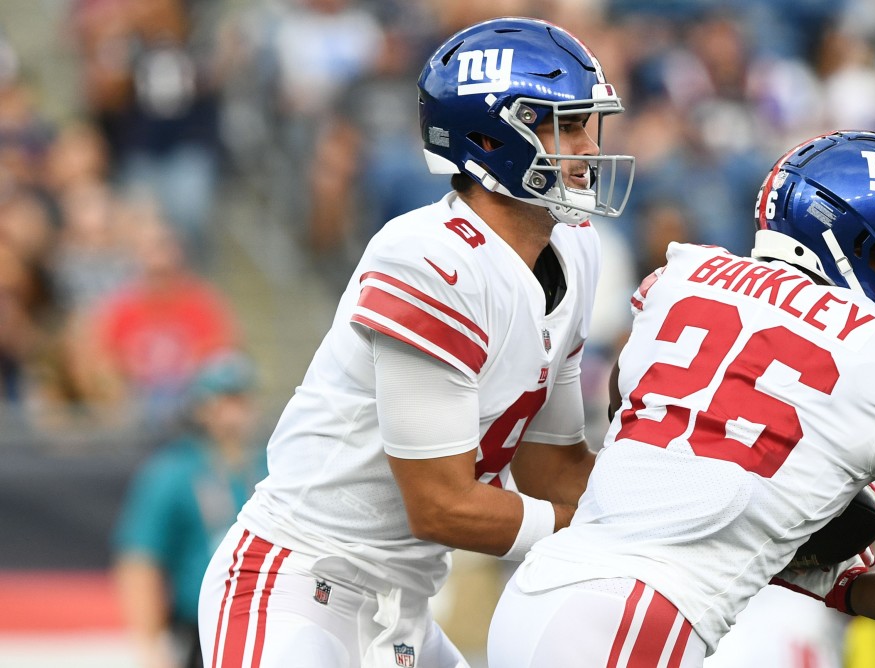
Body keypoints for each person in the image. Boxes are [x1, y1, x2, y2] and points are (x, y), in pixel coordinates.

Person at [197, 17, 635, 668]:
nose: (587, 148)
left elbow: (554, 469)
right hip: (297, 583)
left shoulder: (574, 249)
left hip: (403, 605)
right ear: (490, 137)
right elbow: (440, 506)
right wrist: (601, 532)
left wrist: (680, 505)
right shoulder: (427, 261)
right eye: (565, 125)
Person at [487, 130, 875, 667]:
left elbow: (630, 418)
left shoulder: (682, 276)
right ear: (864, 248)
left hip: (537, 592)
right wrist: (833, 585)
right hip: (635, 619)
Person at [113, 352, 266, 668]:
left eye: (242, 398)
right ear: (201, 407)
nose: (235, 410)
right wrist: (150, 646)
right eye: (225, 399)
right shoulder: (172, 472)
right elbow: (140, 560)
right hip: (197, 626)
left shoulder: (269, 466)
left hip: (265, 618)